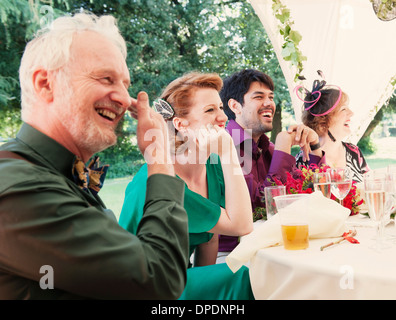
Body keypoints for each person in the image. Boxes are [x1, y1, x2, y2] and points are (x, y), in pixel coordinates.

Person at [0, 12, 189, 299]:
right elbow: (159, 279)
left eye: (125, 84)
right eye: (106, 78)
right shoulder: (19, 187)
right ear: (45, 84)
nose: (125, 99)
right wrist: (159, 157)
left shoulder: (56, 170)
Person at [119, 72, 254, 300]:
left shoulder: (212, 168)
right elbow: (242, 226)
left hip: (177, 281)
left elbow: (211, 237)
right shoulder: (163, 179)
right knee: (243, 275)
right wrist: (229, 153)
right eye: (210, 110)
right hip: (139, 290)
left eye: (220, 107)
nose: (223, 117)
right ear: (181, 124)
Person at [218, 69, 326, 257]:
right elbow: (263, 206)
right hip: (233, 254)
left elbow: (304, 192)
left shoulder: (266, 148)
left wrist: (315, 145)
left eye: (271, 97)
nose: (269, 103)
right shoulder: (226, 146)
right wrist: (283, 148)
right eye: (258, 97)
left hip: (271, 247)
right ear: (235, 106)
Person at [295, 77, 369, 182]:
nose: (351, 113)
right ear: (323, 121)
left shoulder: (354, 152)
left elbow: (370, 184)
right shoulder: (305, 159)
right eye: (343, 109)